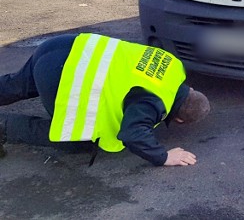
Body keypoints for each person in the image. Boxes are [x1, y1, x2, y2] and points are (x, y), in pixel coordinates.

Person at [0, 33, 211, 166]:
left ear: (191, 88)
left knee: (16, 85)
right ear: (179, 120)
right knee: (75, 140)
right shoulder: (155, 103)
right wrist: (164, 157)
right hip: (61, 74)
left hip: (66, 45)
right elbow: (132, 134)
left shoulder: (173, 66)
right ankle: (4, 127)